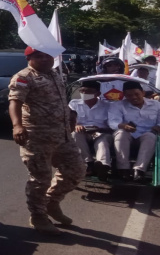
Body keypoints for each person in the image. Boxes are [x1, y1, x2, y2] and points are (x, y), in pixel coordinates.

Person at [9, 47, 84, 235]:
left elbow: (59, 99)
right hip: (37, 137)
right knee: (40, 179)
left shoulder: (55, 74)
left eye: (47, 56)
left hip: (62, 135)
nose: (44, 59)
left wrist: (70, 113)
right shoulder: (24, 77)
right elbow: (15, 102)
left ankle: (51, 202)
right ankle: (38, 216)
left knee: (76, 170)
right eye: (38, 56)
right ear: (29, 58)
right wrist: (17, 125)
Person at [109, 81, 160, 181]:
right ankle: (123, 169)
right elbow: (113, 122)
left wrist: (159, 127)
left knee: (150, 136)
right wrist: (123, 125)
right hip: (127, 134)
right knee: (121, 134)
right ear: (125, 96)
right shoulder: (118, 105)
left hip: (147, 134)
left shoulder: (156, 105)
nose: (134, 97)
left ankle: (139, 170)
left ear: (143, 93)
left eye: (137, 94)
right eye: (129, 95)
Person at [69, 80, 112, 181]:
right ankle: (88, 163)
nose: (84, 93)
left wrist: (99, 129)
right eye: (82, 91)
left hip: (102, 132)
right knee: (75, 134)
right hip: (82, 132)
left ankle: (103, 165)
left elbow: (113, 124)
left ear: (98, 93)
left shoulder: (107, 106)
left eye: (88, 91)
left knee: (102, 141)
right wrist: (76, 125)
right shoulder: (74, 104)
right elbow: (68, 119)